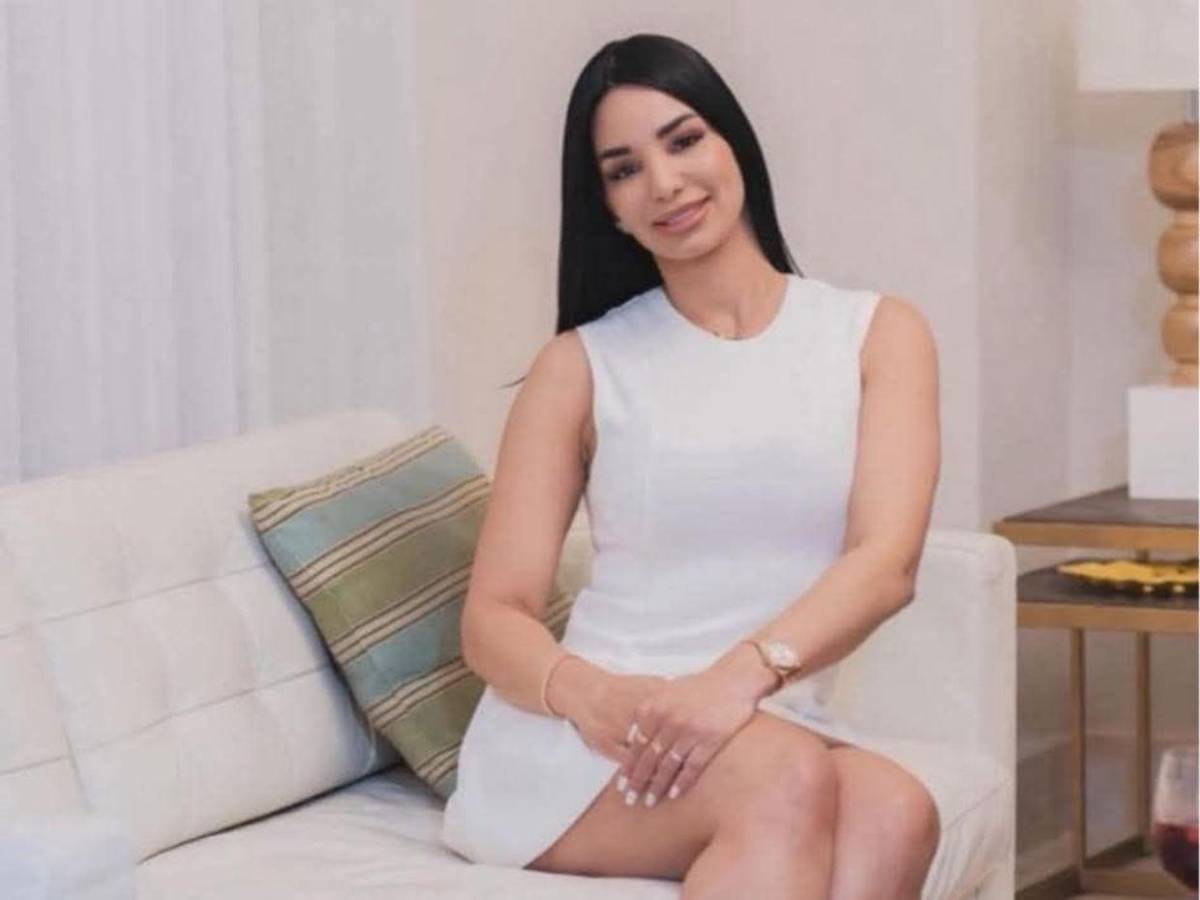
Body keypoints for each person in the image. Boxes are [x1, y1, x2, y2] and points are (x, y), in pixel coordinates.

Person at [440, 33, 943, 899]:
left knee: (898, 810)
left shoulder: (876, 334)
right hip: (592, 738)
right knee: (783, 776)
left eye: (683, 141)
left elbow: (886, 563)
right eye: (624, 169)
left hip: (758, 710)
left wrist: (730, 684)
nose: (665, 183)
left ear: (733, 142)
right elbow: (494, 616)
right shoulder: (581, 366)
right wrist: (594, 698)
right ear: (608, 207)